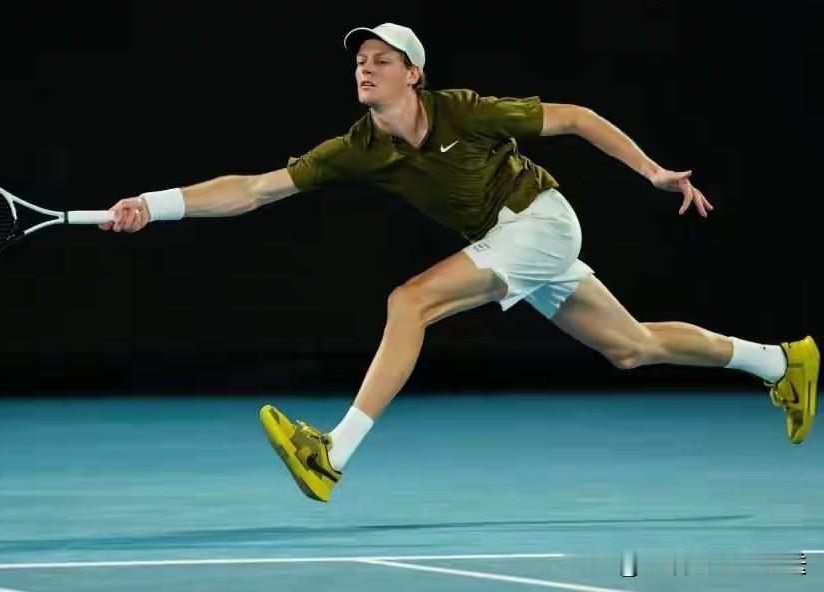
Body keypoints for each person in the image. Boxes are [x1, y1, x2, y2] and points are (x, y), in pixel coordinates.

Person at [100, 23, 819, 503]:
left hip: (539, 222)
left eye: (381, 60)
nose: (365, 68)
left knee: (408, 301)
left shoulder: (462, 112)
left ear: (413, 74)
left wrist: (652, 172)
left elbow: (575, 117)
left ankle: (332, 454)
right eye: (359, 61)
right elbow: (254, 189)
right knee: (631, 348)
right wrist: (154, 204)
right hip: (511, 243)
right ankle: (781, 362)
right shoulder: (358, 148)